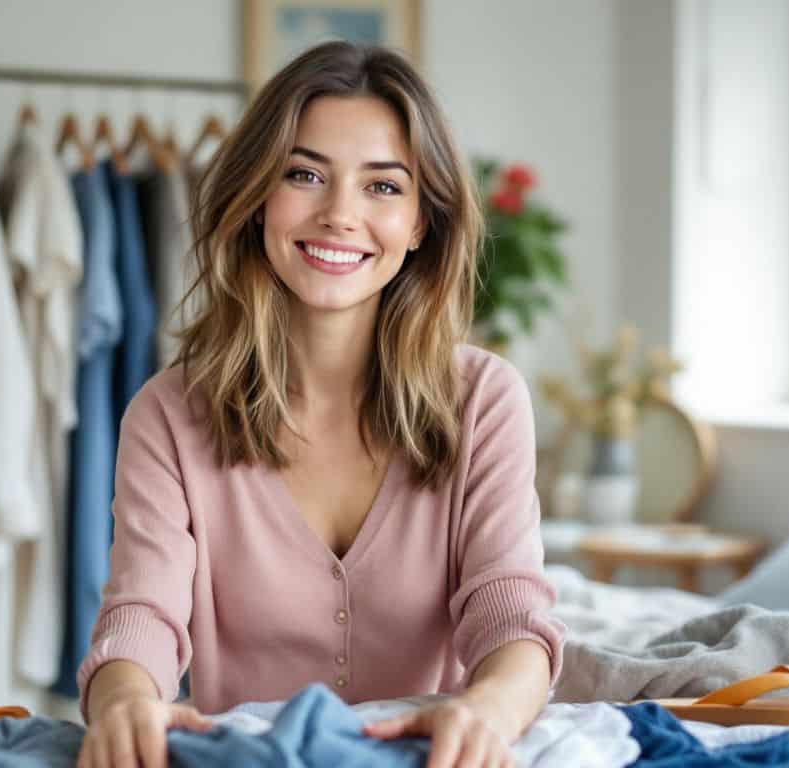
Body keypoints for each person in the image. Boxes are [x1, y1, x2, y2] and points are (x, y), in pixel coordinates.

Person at [75, 41, 565, 768]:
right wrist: (122, 702)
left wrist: (486, 712)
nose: (340, 215)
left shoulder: (485, 400)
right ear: (255, 199)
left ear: (422, 223)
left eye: (384, 187)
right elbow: (141, 616)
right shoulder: (169, 414)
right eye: (304, 175)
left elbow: (511, 613)